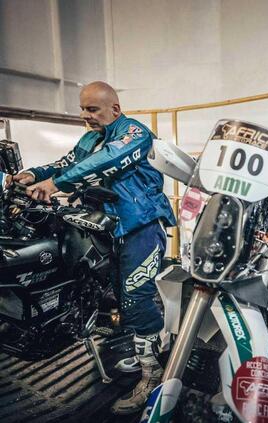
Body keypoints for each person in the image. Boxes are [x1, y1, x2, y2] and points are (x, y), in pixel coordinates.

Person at [5, 81, 176, 415]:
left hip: (140, 229)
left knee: (135, 297)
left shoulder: (134, 133)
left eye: (92, 109)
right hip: (105, 228)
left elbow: (104, 161)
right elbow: (66, 163)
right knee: (118, 295)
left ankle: (153, 373)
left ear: (115, 109)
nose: (85, 115)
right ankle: (146, 350)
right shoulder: (89, 139)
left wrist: (55, 185)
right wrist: (34, 174)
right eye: (82, 109)